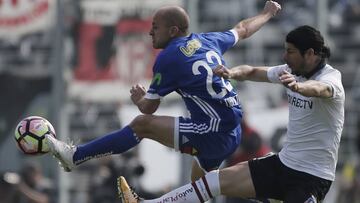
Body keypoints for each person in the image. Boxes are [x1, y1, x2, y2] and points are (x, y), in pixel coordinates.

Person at [45, 1, 281, 181]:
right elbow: (242, 29)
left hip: (213, 130)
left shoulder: (169, 58)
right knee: (199, 189)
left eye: (155, 27)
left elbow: (150, 108)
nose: (150, 32)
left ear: (173, 30)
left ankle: (74, 156)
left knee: (141, 124)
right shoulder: (208, 40)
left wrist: (140, 99)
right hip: (231, 130)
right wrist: (267, 13)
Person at [117, 25, 345, 203]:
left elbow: (320, 90)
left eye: (290, 52)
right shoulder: (292, 71)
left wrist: (298, 87)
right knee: (214, 182)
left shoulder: (330, 79)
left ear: (311, 54)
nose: (284, 57)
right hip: (282, 165)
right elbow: (253, 71)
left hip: (311, 178)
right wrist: (231, 72)